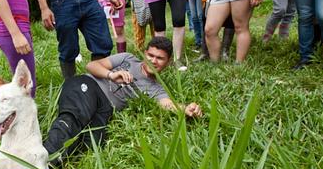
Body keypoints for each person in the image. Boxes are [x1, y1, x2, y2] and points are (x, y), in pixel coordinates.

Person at [43, 36, 203, 161]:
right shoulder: (128, 59)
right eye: (150, 55)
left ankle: (53, 165)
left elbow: (168, 104)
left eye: (159, 58)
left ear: (168, 63)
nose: (153, 61)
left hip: (105, 108)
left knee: (90, 144)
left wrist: (187, 108)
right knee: (72, 120)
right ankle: (41, 163)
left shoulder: (156, 88)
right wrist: (111, 75)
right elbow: (91, 66)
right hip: (88, 86)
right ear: (145, 53)